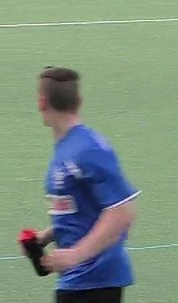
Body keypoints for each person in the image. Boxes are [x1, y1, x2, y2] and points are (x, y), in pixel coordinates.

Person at [28, 66, 140, 303]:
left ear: (41, 102)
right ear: (79, 101)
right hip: (77, 282)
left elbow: (122, 213)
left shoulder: (88, 148)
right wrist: (47, 235)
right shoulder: (69, 147)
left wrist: (75, 255)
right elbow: (86, 206)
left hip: (95, 282)